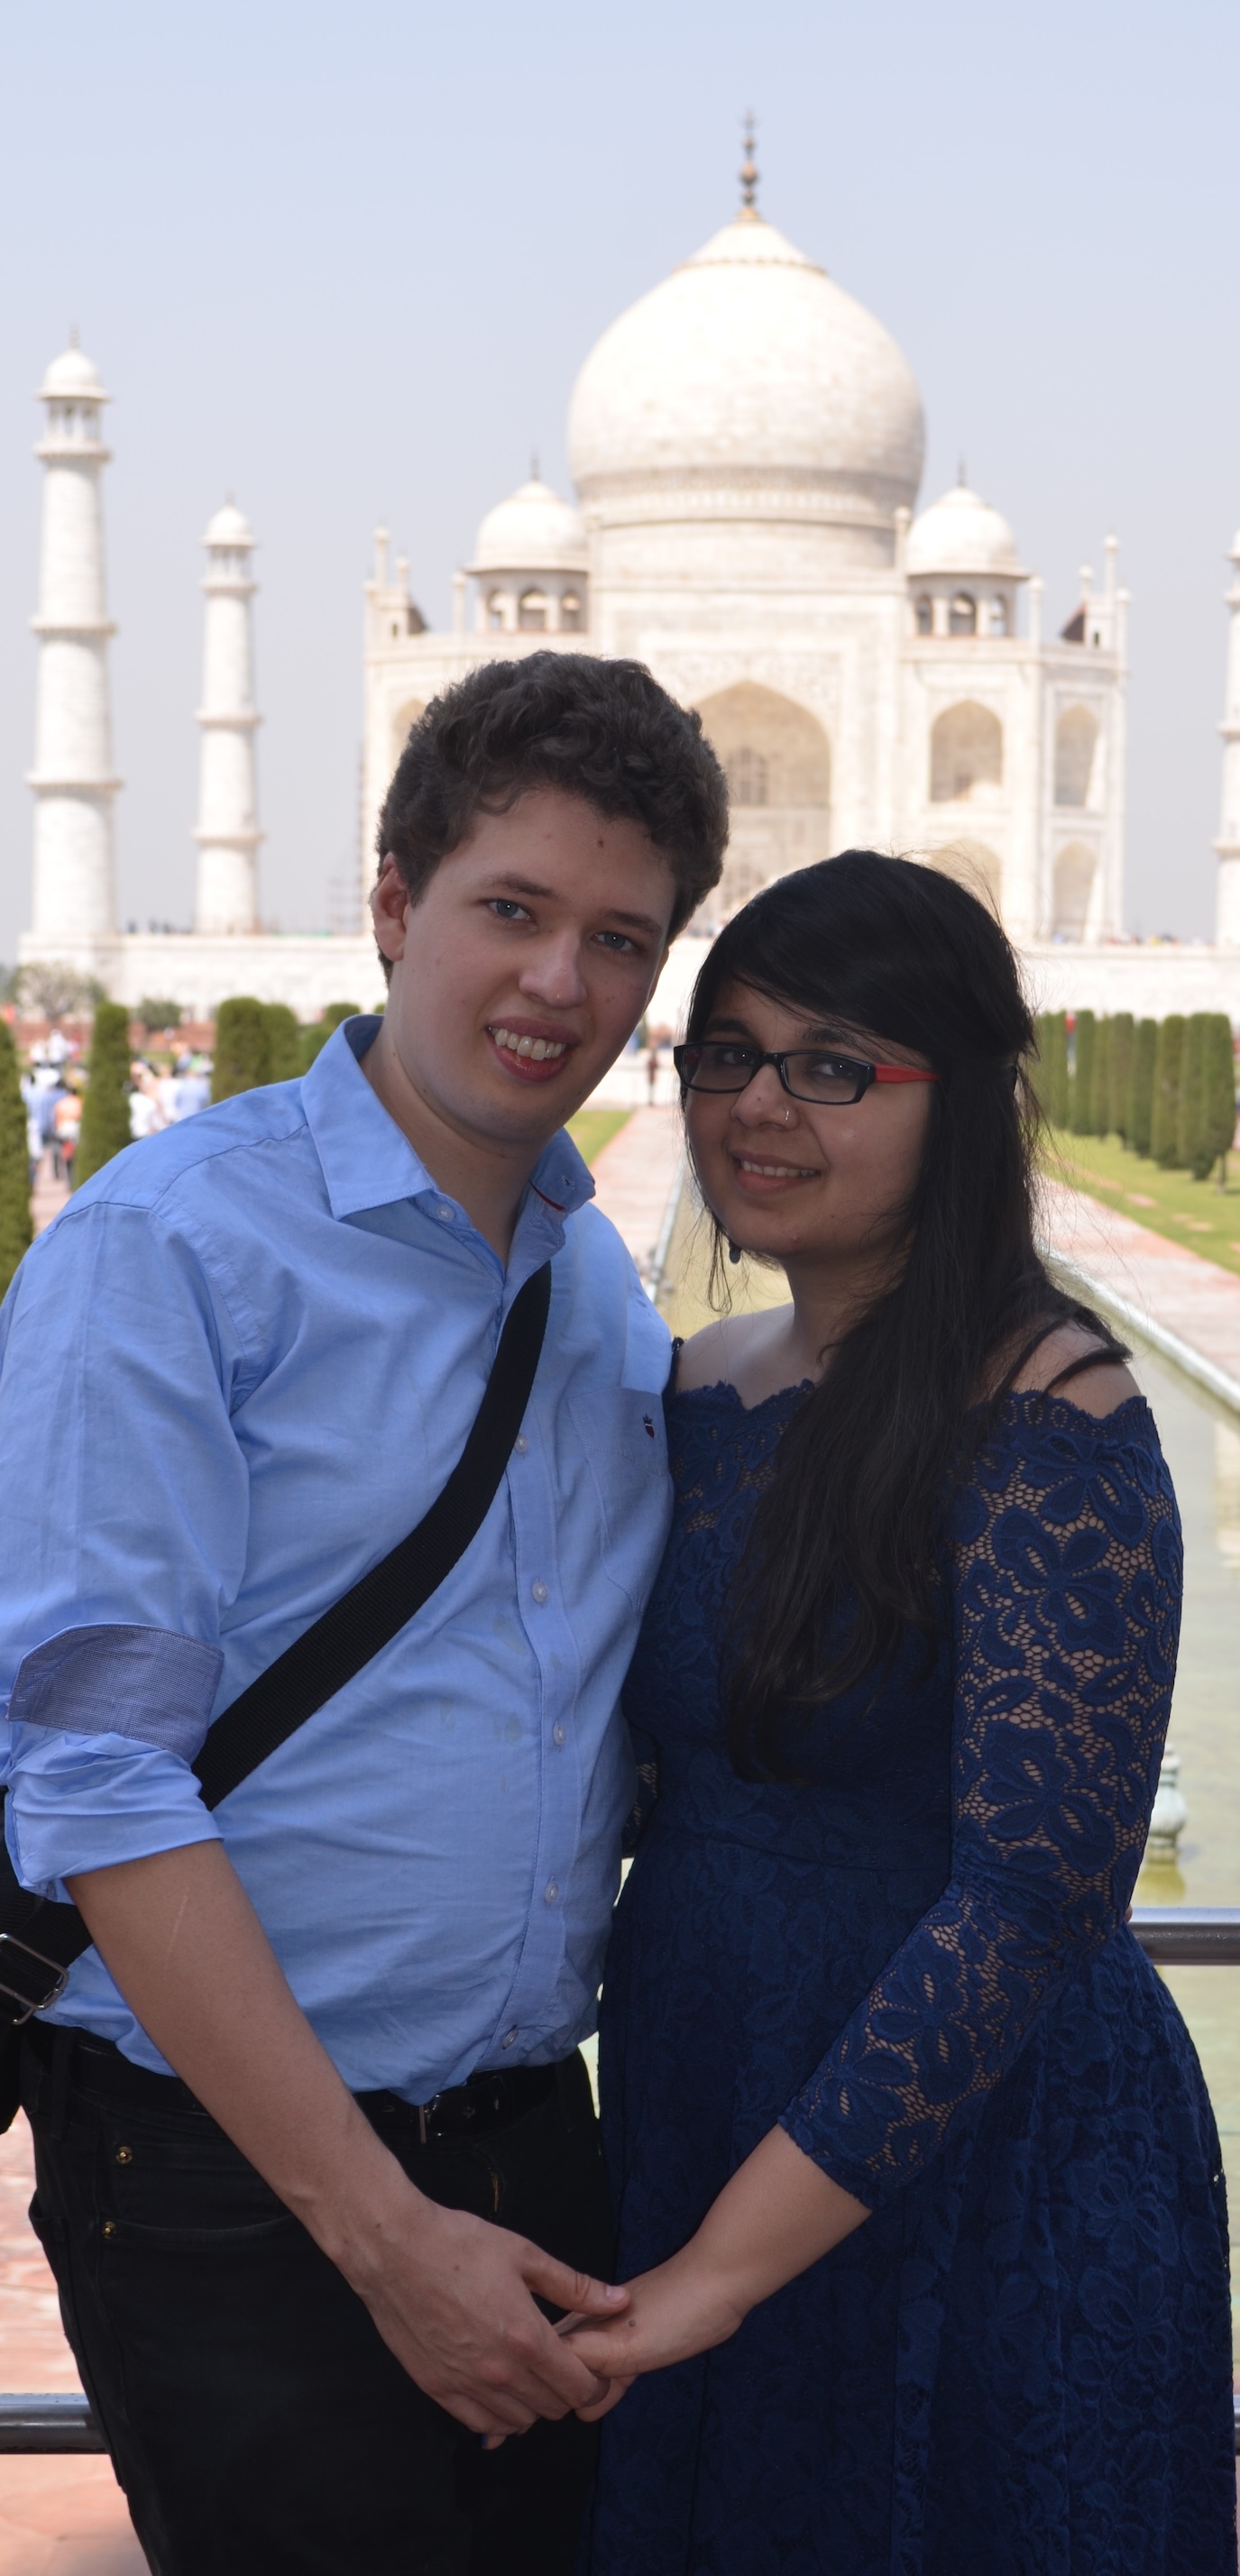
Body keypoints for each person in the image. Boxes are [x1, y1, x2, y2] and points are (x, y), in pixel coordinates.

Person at [0, 652, 727, 2576]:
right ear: (396, 906)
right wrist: (382, 2236)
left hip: (529, 2142)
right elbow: (96, 1778)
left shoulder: (590, 1292)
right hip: (240, 2178)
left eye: (620, 938)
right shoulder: (172, 1254)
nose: (560, 983)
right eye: (512, 910)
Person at [568, 853, 1235, 2574]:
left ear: (963, 1101)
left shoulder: (1051, 1410)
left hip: (968, 2146)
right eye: (726, 1055)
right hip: (705, 2095)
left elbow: (1032, 1896)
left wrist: (717, 2271)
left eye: (836, 1066)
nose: (760, 1108)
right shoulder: (704, 1388)